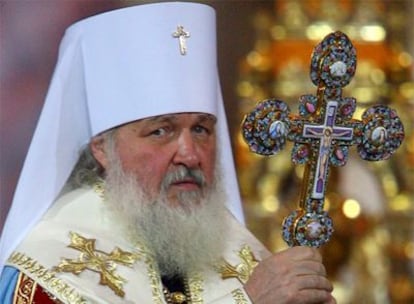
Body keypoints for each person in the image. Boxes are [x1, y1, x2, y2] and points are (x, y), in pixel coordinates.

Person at [0, 2, 336, 303]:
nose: (190, 155)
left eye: (201, 130)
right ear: (103, 149)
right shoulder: (48, 272)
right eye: (161, 131)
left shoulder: (241, 253)